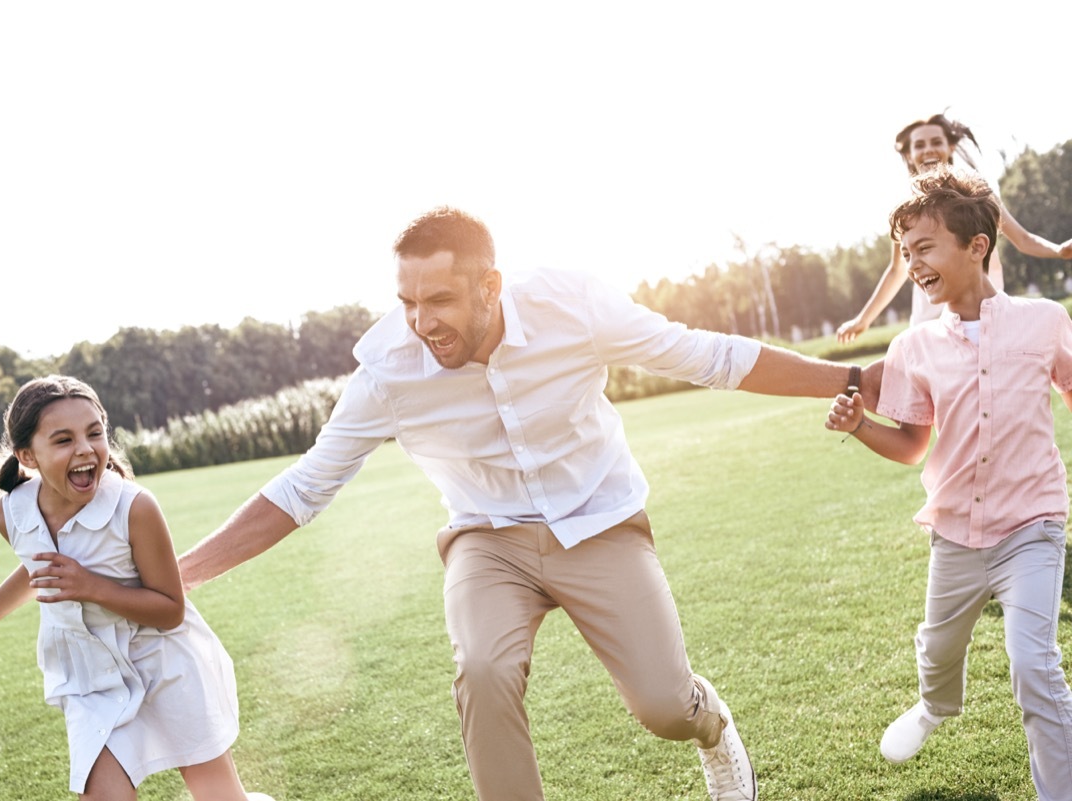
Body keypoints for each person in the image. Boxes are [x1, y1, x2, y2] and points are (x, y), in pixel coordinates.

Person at [178, 206, 881, 801]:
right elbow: (304, 486)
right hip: (488, 540)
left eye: (440, 301)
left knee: (666, 706)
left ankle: (713, 725)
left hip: (599, 522)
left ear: (491, 286)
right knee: (482, 668)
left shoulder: (570, 306)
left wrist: (853, 377)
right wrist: (181, 574)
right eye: (408, 303)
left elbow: (710, 357)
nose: (422, 322)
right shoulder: (388, 372)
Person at [826, 167, 1072, 799]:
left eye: (924, 249)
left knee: (1033, 664)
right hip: (956, 535)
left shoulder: (1045, 322)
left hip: (1032, 527)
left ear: (977, 247)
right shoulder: (913, 348)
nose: (913, 264)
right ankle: (935, 707)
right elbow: (912, 445)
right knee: (938, 650)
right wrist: (859, 427)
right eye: (905, 253)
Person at [0, 376, 273, 801]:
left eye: (95, 433)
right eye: (63, 440)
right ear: (27, 456)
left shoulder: (134, 507)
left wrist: (92, 587)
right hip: (92, 680)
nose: (84, 448)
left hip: (166, 666)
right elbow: (39, 568)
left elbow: (171, 609)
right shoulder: (9, 513)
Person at [836, 112, 1072, 343]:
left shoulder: (977, 195)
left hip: (982, 316)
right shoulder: (907, 209)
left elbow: (1023, 239)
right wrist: (863, 320)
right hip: (932, 323)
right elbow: (897, 270)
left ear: (950, 147)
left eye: (936, 141)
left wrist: (1058, 250)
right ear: (909, 155)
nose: (928, 149)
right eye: (919, 145)